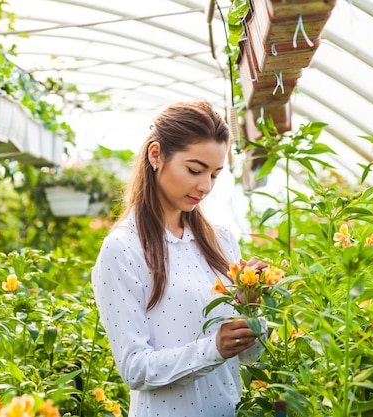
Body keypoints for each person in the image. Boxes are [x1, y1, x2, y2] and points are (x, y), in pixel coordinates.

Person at [91, 99, 265, 417]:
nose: (205, 186)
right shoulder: (123, 249)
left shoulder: (221, 241)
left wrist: (250, 309)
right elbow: (134, 368)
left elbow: (251, 358)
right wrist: (214, 348)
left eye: (215, 175)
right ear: (156, 155)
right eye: (195, 170)